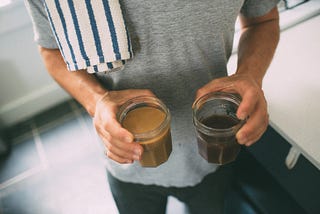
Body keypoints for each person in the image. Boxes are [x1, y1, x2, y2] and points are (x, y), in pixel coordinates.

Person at [25, 0, 280, 213]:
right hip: (128, 164)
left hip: (212, 158)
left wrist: (250, 76)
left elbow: (263, 20)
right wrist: (97, 100)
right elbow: (51, 50)